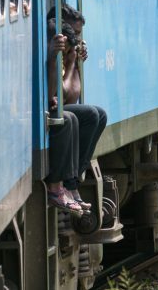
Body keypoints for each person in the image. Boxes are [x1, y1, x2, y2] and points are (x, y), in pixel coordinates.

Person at [45, 21, 106, 214]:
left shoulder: (63, 56)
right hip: (38, 114)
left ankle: (71, 184)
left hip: (52, 107)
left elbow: (70, 96)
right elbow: (58, 94)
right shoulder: (50, 53)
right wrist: (62, 59)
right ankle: (57, 187)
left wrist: (73, 62)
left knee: (97, 115)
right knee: (69, 118)